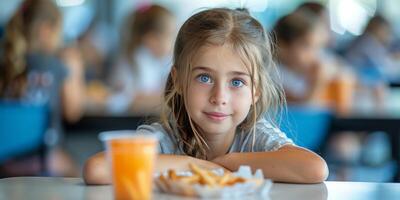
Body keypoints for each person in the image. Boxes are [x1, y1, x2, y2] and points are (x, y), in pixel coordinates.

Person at [83, 8, 328, 185]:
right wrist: (202, 166)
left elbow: (315, 169)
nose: (219, 97)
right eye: (204, 78)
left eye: (236, 82)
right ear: (178, 80)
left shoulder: (253, 136)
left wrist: (227, 162)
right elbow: (97, 169)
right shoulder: (165, 137)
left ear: (256, 92)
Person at [0, 0, 84, 176]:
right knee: (84, 169)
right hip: (44, 158)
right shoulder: (55, 64)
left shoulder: (6, 62)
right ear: (46, 29)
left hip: (5, 163)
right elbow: (73, 112)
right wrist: (75, 67)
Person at [107, 4, 176, 115]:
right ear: (151, 39)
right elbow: (129, 101)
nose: (174, 41)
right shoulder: (132, 61)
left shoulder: (164, 61)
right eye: (170, 34)